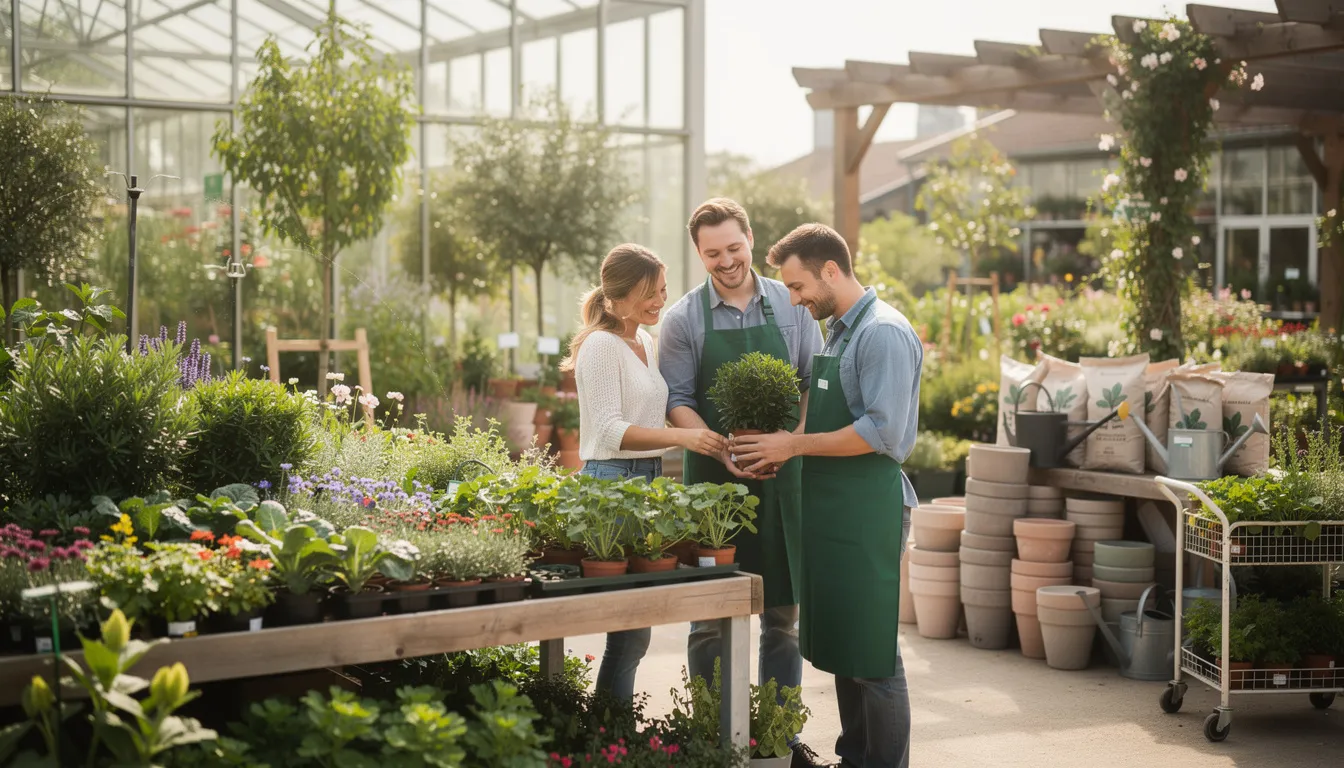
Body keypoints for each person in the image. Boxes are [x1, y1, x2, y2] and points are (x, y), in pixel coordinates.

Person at [732, 223, 921, 768]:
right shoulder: (839, 330)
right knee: (844, 648)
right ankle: (854, 757)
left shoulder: (882, 333)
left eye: (798, 286)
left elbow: (882, 432)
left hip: (868, 512)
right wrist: (779, 449)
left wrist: (793, 445)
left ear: (831, 271)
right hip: (834, 509)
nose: (793, 299)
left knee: (873, 656)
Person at [658, 198, 828, 767]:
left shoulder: (790, 301)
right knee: (710, 617)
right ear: (699, 253)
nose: (726, 261)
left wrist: (794, 441)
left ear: (750, 238)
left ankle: (779, 737)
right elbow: (677, 402)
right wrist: (719, 445)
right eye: (713, 253)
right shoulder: (682, 318)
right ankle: (714, 734)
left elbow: (812, 383)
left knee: (783, 615)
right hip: (715, 479)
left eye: (734, 248)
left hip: (785, 476)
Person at [560, 243, 726, 703]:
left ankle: (612, 737)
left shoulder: (645, 342)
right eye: (648, 294)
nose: (659, 302)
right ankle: (609, 736)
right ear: (615, 295)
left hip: (647, 481)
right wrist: (683, 438)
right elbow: (611, 430)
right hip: (611, 482)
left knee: (637, 630)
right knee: (629, 630)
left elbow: (650, 413)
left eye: (663, 291)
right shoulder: (599, 347)